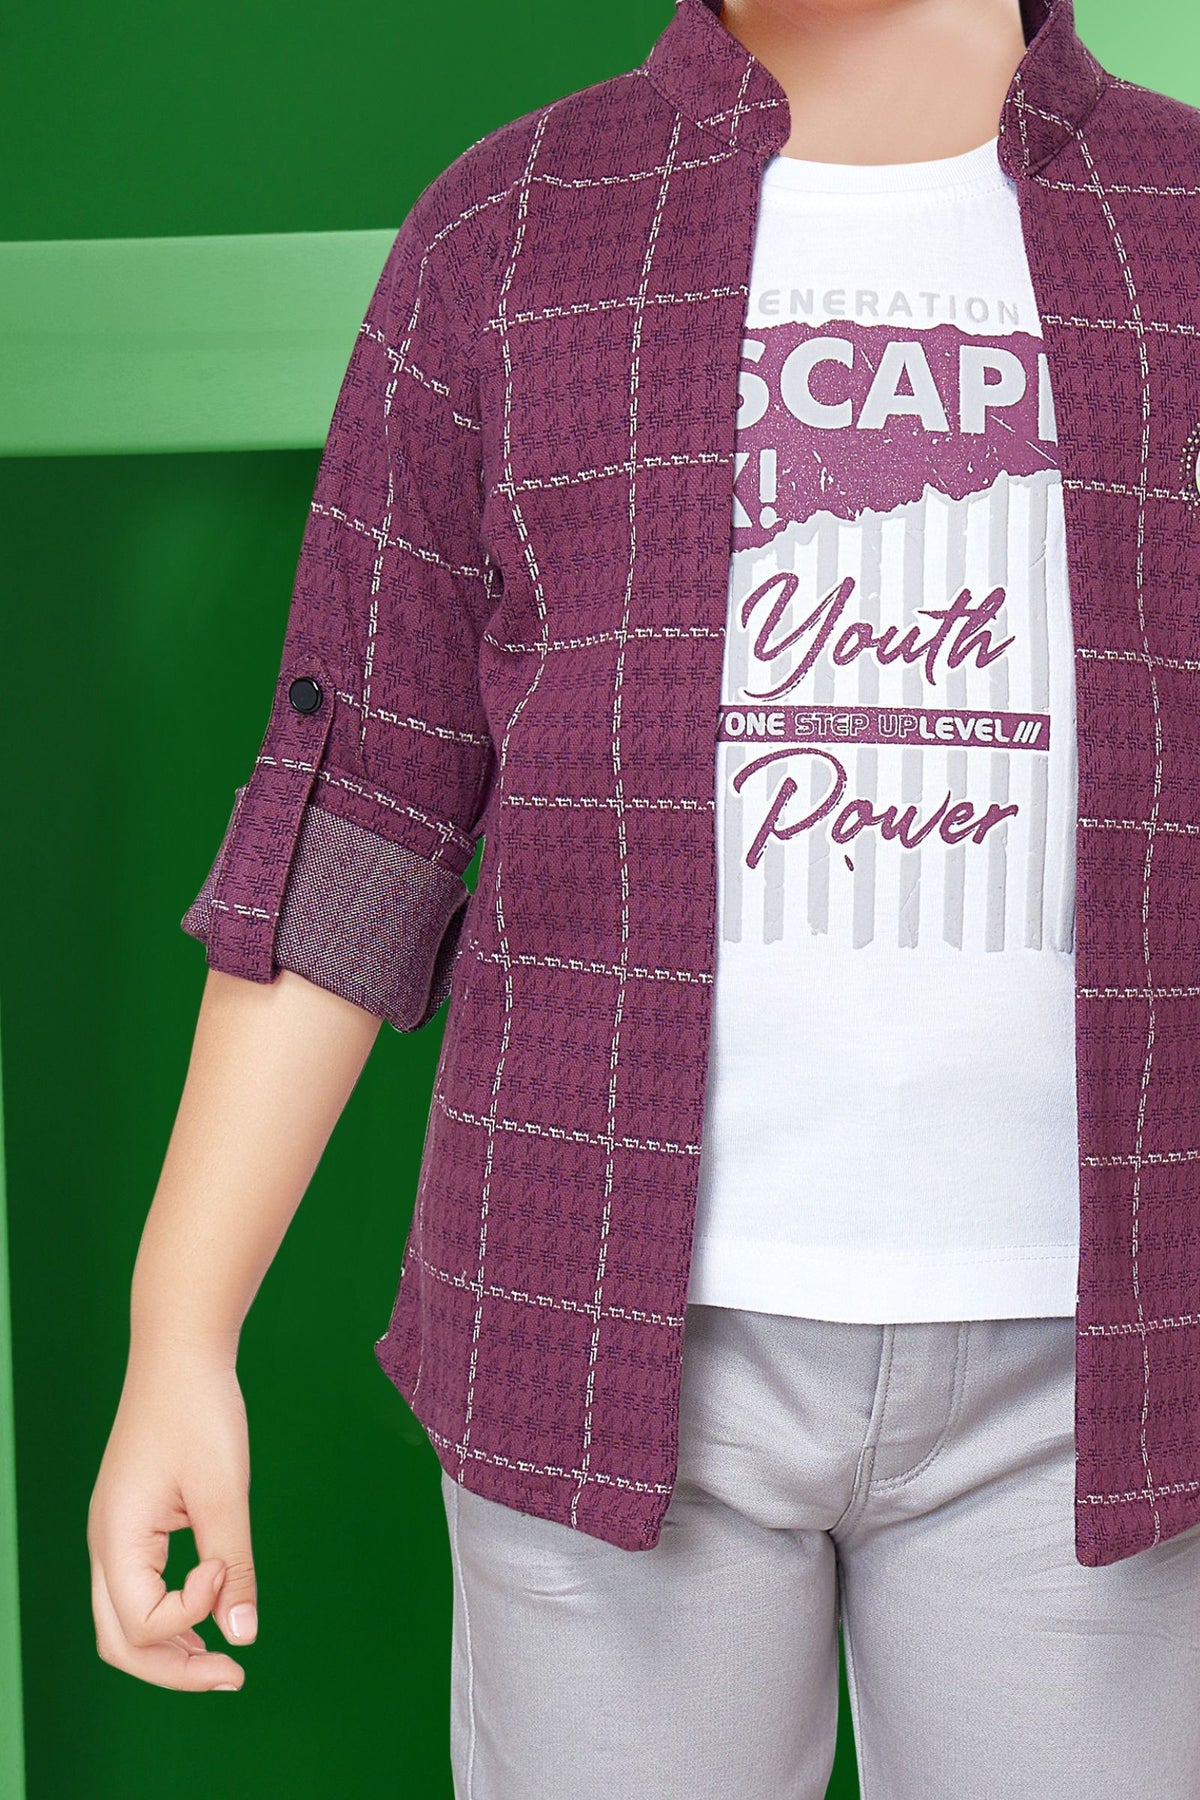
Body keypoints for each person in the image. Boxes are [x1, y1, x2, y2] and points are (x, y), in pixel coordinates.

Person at [88, 0, 1200, 1792]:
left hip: (1116, 1380)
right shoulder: (510, 233)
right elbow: (364, 808)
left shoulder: (1180, 220)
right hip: (587, 1336)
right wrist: (179, 1328)